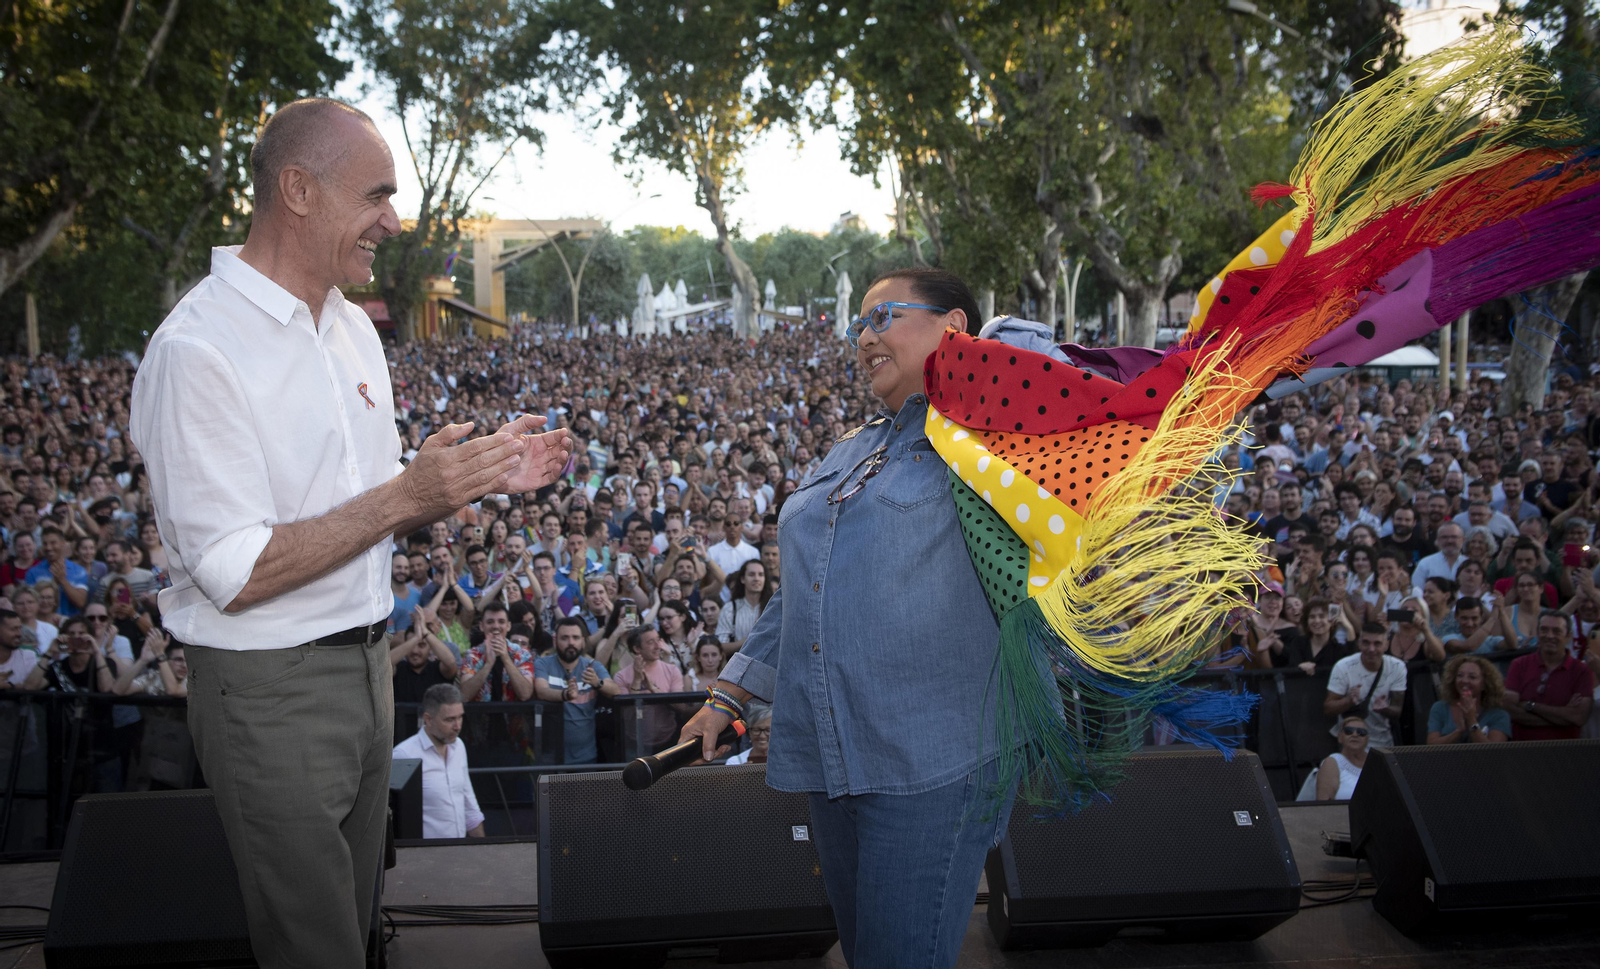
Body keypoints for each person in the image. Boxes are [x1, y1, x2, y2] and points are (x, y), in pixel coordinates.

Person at [128, 97, 569, 968]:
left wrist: (451, 475)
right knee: (313, 945)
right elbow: (235, 569)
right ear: (297, 189)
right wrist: (408, 496)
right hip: (272, 687)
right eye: (375, 195)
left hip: (370, 668)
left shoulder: (349, 328)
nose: (394, 222)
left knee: (356, 928)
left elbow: (362, 495)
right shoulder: (198, 350)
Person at [677, 267, 1023, 968]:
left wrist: (997, 353)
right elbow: (802, 590)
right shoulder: (849, 449)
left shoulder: (992, 444)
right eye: (856, 324)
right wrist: (729, 693)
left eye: (883, 317)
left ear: (952, 327)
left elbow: (1061, 384)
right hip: (834, 760)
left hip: (931, 764)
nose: (862, 337)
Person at [391, 683, 486, 839]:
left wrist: (484, 853)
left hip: (460, 854)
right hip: (424, 857)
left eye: (460, 717)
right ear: (428, 719)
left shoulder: (459, 746)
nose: (457, 726)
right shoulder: (404, 755)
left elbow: (470, 807)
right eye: (449, 719)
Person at [532, 616, 618, 764]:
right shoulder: (542, 663)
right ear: (555, 641)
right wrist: (565, 694)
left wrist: (597, 683)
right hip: (550, 757)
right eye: (565, 638)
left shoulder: (593, 666)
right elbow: (541, 690)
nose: (571, 642)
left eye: (575, 638)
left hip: (586, 757)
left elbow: (616, 691)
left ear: (583, 641)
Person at [1503, 609, 1596, 740]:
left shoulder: (1581, 671)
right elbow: (1511, 710)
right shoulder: (1519, 665)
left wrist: (1531, 706)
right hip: (1522, 751)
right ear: (1537, 632)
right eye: (1544, 630)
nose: (1549, 635)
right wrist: (1562, 717)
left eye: (1556, 631)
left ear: (1568, 636)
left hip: (1566, 753)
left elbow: (1578, 717)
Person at [1323, 622, 1408, 749]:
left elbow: (1397, 710)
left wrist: (1383, 709)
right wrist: (1348, 701)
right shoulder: (1343, 666)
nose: (1371, 649)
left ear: (1386, 645)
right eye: (1366, 642)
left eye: (1377, 643)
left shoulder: (1397, 667)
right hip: (1350, 743)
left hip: (1382, 743)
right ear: (1359, 643)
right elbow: (1328, 709)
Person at [458, 602, 536, 702]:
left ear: (508, 626)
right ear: (481, 626)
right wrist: (488, 664)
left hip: (513, 716)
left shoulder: (522, 654)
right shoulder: (472, 655)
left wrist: (506, 658)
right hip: (481, 716)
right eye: (490, 622)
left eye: (501, 621)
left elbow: (525, 694)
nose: (496, 626)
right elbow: (464, 695)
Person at [1426, 654, 1512, 743]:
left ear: (1484, 684)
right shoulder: (1440, 707)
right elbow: (1432, 745)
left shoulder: (1499, 715)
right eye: (1460, 675)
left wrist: (1471, 721)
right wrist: (1458, 731)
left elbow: (1495, 752)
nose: (1464, 680)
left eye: (1472, 677)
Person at [716, 559, 770, 652]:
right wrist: (750, 638)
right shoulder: (730, 608)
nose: (756, 578)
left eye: (760, 575)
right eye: (751, 574)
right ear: (742, 579)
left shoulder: (772, 608)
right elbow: (721, 646)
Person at [1313, 715, 1370, 801]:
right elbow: (1324, 806)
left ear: (1367, 739)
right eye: (1348, 731)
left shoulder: (1376, 763)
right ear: (1340, 737)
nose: (1355, 735)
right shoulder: (1332, 762)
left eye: (1361, 732)